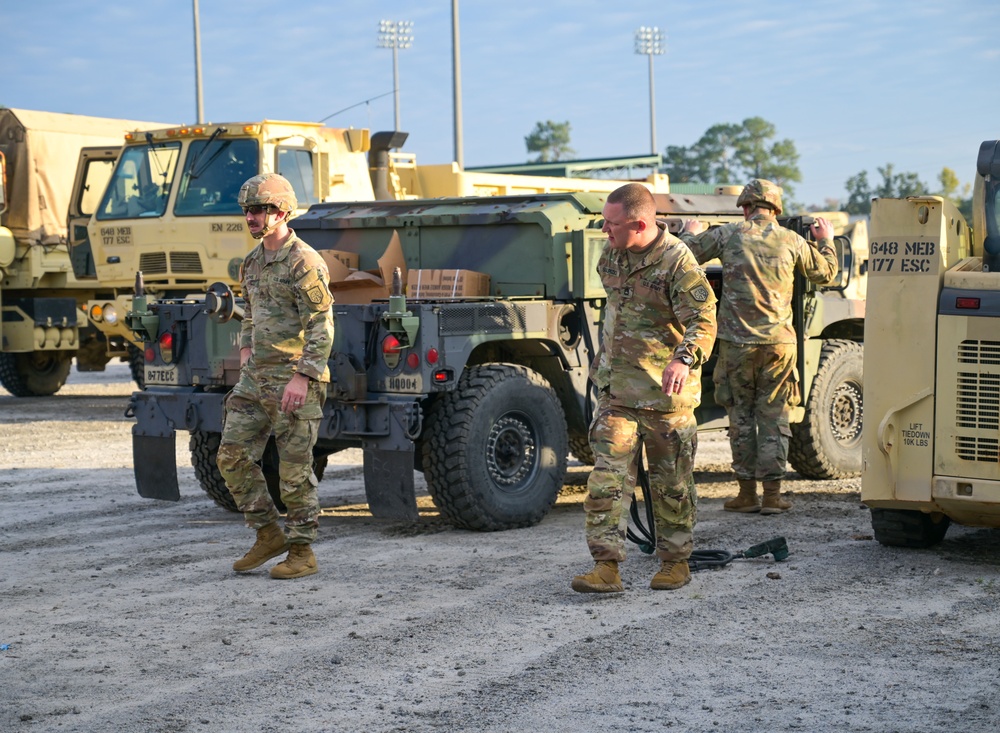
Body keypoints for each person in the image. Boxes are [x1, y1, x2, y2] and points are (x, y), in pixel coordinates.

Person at [571, 183, 717, 594]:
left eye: (612, 223)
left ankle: (675, 562)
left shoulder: (678, 263)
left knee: (671, 485)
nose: (604, 229)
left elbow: (703, 321)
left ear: (639, 224)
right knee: (607, 482)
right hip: (617, 393)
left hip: (665, 398)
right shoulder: (612, 255)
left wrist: (682, 359)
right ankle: (606, 567)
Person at [680, 178, 837, 515]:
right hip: (779, 345)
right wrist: (826, 241)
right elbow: (827, 274)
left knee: (741, 415)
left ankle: (747, 494)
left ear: (746, 207)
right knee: (774, 416)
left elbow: (686, 256)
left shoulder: (730, 234)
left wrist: (691, 231)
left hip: (737, 344)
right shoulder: (793, 240)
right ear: (776, 208)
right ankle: (772, 496)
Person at [216, 173, 335, 579]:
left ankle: (302, 551)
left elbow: (322, 324)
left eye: (258, 210)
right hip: (256, 378)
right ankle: (267, 533)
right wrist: (246, 347)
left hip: (293, 378)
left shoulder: (304, 261)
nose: (250, 217)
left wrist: (304, 376)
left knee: (294, 470)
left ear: (282, 211)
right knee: (231, 456)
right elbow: (250, 310)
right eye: (246, 210)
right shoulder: (252, 262)